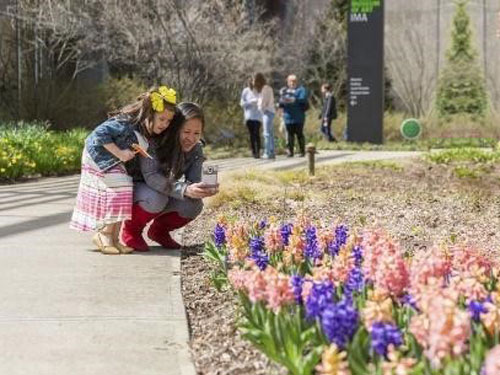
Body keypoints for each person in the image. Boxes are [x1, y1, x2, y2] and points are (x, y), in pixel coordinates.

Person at [70, 86, 177, 255]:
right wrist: (119, 152)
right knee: (120, 186)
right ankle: (103, 234)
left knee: (125, 187)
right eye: (161, 119)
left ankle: (114, 238)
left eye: (168, 121)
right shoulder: (126, 123)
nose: (165, 124)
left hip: (112, 159)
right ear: (149, 114)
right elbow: (99, 134)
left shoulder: (145, 130)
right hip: (97, 156)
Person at [121, 102, 218, 251]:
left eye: (196, 133)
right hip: (137, 189)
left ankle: (159, 232)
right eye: (186, 132)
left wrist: (202, 189)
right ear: (175, 128)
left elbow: (193, 181)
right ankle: (131, 230)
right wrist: (184, 189)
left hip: (162, 190)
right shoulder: (153, 142)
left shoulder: (196, 148)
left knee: (194, 204)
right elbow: (152, 176)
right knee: (157, 198)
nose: (191, 138)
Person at [278, 74, 308, 157]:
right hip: (288, 117)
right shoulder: (284, 91)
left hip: (299, 117)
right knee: (289, 135)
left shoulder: (301, 90)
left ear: (296, 82)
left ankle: (302, 151)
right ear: (287, 82)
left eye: (294, 81)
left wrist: (290, 99)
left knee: (299, 134)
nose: (292, 83)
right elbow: (281, 102)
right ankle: (290, 152)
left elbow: (302, 99)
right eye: (290, 81)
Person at [240, 76, 262, 158]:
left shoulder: (259, 91)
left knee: (257, 133)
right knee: (251, 134)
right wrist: (250, 102)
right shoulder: (245, 91)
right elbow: (242, 103)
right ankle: (253, 152)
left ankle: (258, 151)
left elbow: (263, 102)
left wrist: (258, 102)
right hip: (249, 116)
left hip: (258, 116)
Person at [256, 73, 276, 159]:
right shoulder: (268, 88)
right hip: (270, 111)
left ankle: (267, 152)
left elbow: (263, 102)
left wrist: (260, 108)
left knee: (266, 133)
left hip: (267, 112)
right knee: (270, 133)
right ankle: (271, 151)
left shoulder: (265, 89)